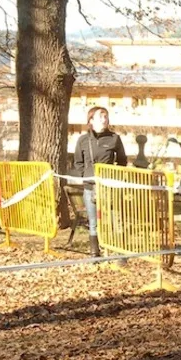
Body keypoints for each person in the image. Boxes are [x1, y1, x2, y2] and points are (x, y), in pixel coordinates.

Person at [71, 106, 127, 257]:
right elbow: (78, 162)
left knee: (116, 220)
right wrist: (85, 175)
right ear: (91, 120)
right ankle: (94, 253)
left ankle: (119, 253)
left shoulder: (114, 138)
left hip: (109, 187)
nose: (104, 119)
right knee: (93, 222)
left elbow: (122, 161)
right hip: (90, 187)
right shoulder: (83, 140)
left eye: (106, 116)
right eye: (101, 116)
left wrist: (114, 175)